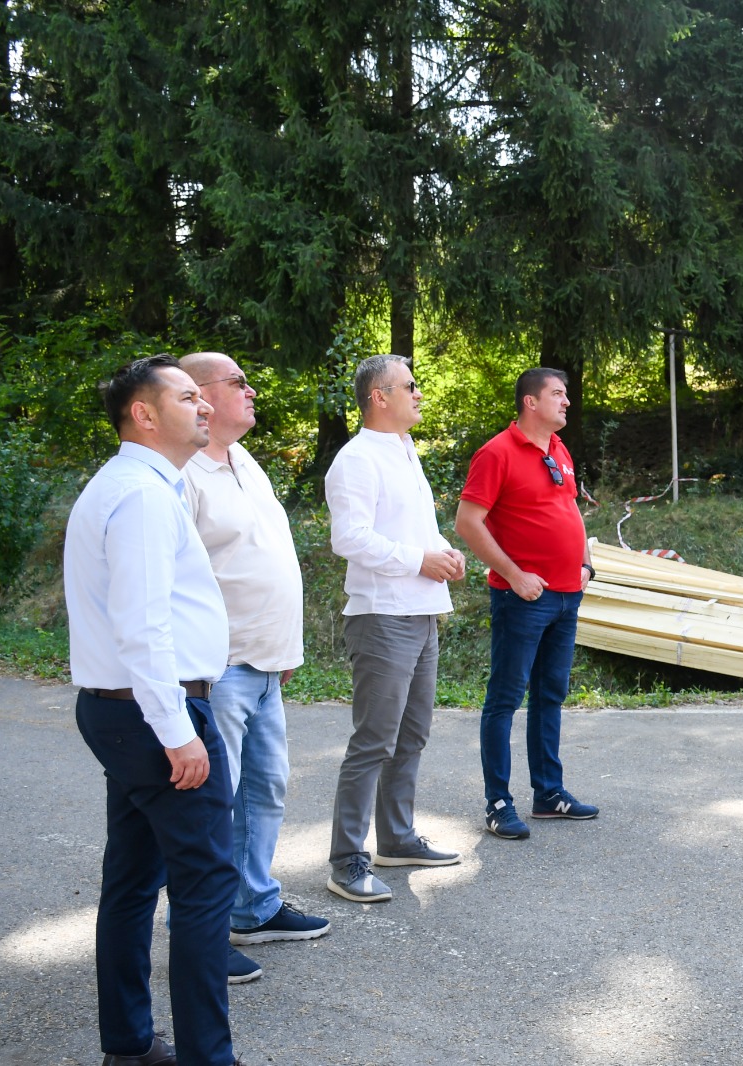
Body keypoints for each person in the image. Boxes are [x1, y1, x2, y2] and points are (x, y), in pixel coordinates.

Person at [65, 355, 243, 1066]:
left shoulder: (136, 486)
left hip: (129, 710)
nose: (205, 407)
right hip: (156, 715)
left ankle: (131, 1045)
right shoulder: (139, 495)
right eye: (188, 397)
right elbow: (142, 628)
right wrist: (178, 732)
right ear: (144, 413)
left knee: (135, 879)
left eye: (206, 397)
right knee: (205, 885)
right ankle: (208, 1056)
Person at [180, 352, 330, 983]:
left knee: (264, 791)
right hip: (219, 670)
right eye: (238, 382)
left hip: (266, 666)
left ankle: (253, 905)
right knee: (213, 807)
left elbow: (263, 559)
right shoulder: (182, 475)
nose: (251, 390)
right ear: (201, 398)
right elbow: (176, 584)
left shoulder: (244, 462)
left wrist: (284, 650)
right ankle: (203, 933)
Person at [324, 354, 465, 903]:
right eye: (409, 386)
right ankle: (346, 860)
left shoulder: (404, 451)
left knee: (412, 736)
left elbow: (412, 532)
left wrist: (443, 555)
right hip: (382, 617)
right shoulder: (356, 459)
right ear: (378, 397)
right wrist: (418, 560)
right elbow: (350, 539)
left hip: (420, 612)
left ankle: (397, 838)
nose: (419, 393)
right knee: (373, 743)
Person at [455, 367, 598, 841]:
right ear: (530, 403)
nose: (567, 401)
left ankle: (549, 793)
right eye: (558, 394)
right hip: (524, 598)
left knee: (550, 695)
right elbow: (469, 522)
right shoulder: (496, 453)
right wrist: (515, 576)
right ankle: (498, 802)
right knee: (504, 700)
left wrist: (585, 564)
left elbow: (570, 510)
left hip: (565, 595)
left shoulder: (558, 449)